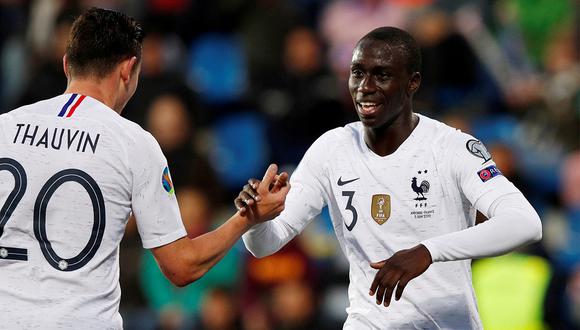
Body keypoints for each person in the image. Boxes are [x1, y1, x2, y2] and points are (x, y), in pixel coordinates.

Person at [0, 7, 289, 329]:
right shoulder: (133, 144)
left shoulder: (5, 127)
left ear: (67, 64)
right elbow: (182, 267)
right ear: (129, 69)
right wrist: (250, 215)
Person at [235, 26, 542, 329]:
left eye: (381, 75)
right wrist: (255, 220)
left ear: (413, 82)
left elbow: (525, 223)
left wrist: (428, 251)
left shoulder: (452, 147)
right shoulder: (331, 149)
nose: (365, 86)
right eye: (357, 72)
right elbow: (265, 244)